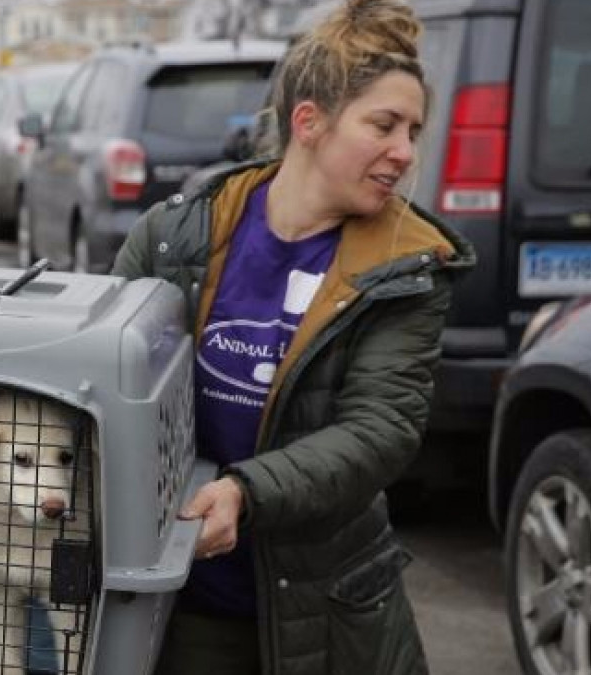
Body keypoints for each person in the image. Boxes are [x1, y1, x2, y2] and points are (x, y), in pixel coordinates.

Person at [112, 0, 476, 673]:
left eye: (413, 130)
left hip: (328, 605)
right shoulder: (177, 235)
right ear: (309, 122)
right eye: (384, 125)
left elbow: (380, 428)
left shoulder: (405, 266)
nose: (405, 151)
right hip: (182, 602)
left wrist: (245, 493)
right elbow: (105, 375)